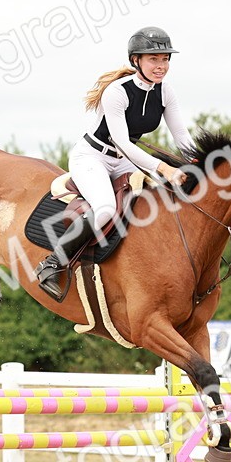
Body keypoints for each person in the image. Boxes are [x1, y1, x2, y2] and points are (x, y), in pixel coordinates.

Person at [35, 25, 196, 300]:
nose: (161, 66)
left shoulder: (166, 92)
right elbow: (123, 142)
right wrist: (163, 167)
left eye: (165, 59)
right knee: (107, 209)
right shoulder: (117, 92)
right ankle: (52, 263)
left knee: (156, 201)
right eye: (154, 59)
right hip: (93, 157)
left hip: (125, 161)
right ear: (137, 61)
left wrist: (198, 160)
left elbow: (182, 136)